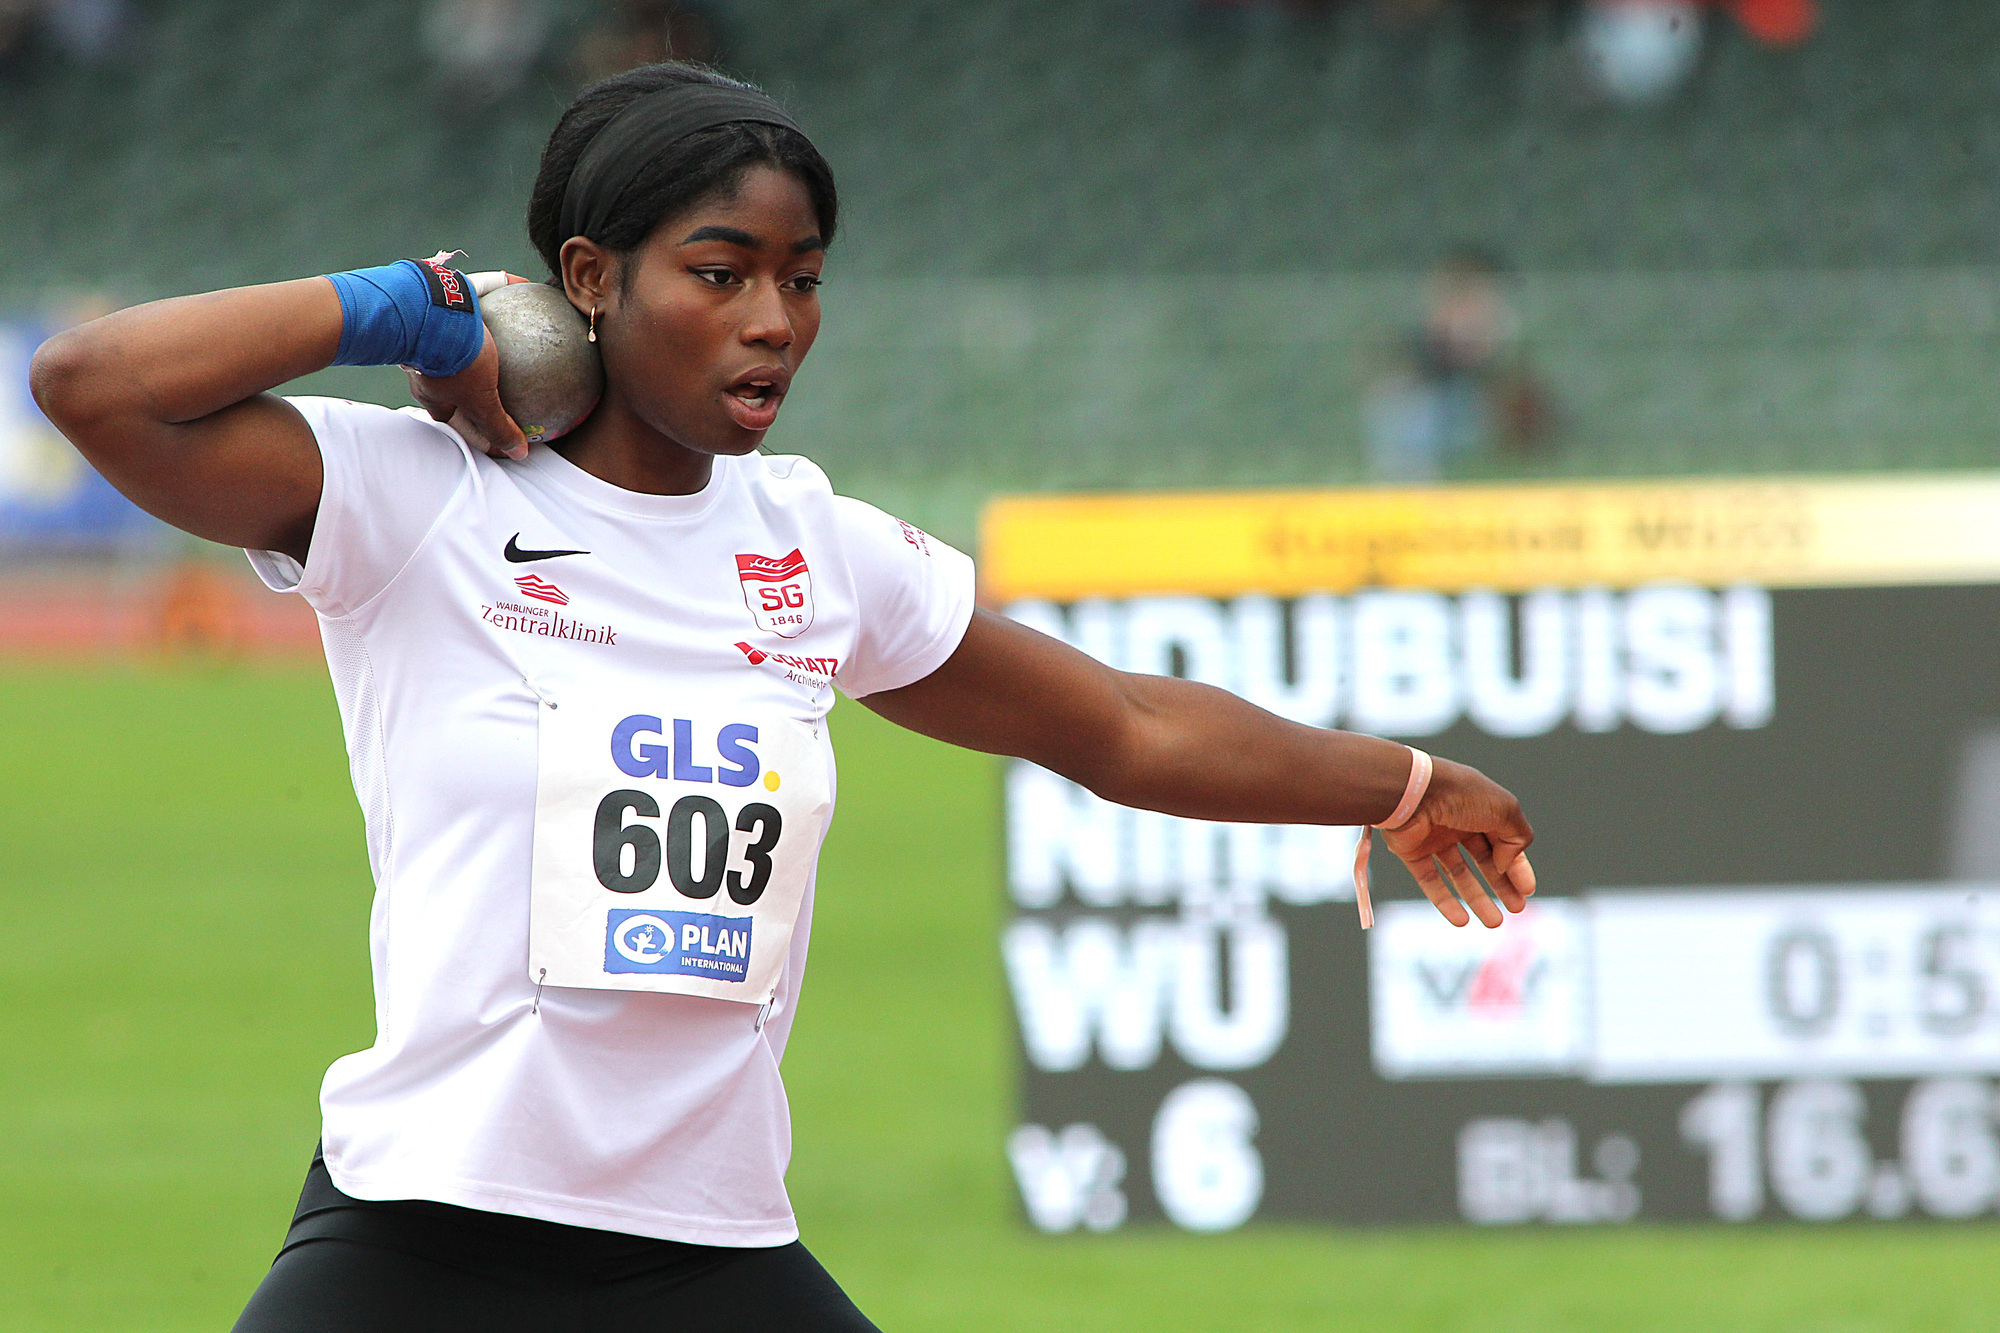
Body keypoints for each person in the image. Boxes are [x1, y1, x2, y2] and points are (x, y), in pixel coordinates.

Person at [30, 61, 1537, 1331]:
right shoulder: (412, 496)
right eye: (721, 272)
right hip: (429, 1231)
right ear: (587, 281)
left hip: (714, 1248)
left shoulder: (817, 547)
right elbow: (93, 382)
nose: (776, 321)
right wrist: (403, 309)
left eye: (802, 279)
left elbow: (1122, 725)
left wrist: (1397, 783)